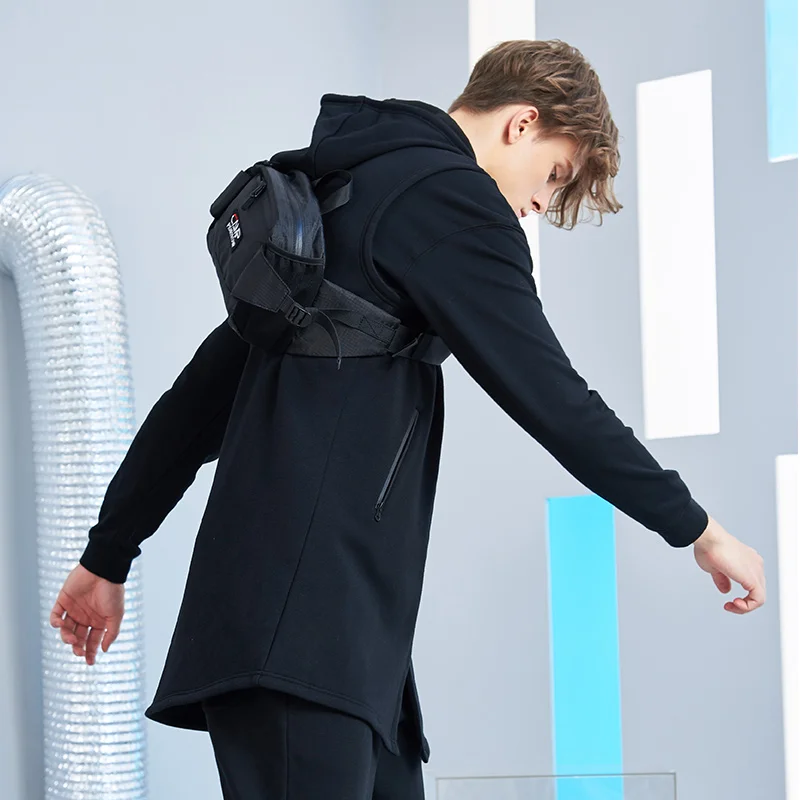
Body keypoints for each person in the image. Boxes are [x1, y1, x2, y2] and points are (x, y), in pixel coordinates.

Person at [49, 39, 766, 799]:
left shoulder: (342, 188)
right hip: (312, 632)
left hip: (331, 639)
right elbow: (552, 396)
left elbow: (198, 399)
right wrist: (697, 527)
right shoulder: (453, 200)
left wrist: (108, 555)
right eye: (554, 174)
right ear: (522, 123)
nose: (537, 205)